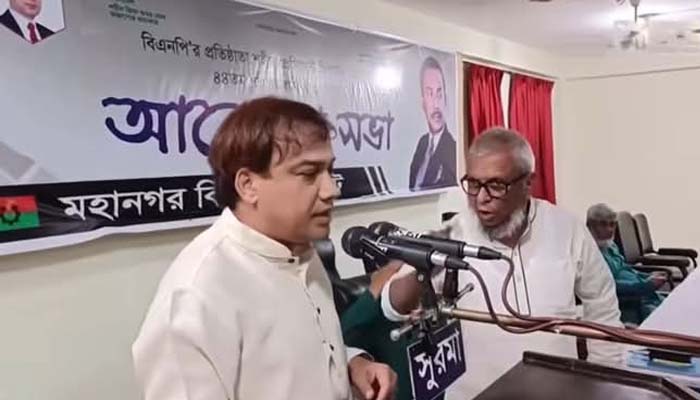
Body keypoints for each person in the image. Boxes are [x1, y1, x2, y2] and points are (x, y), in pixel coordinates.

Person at [132, 97, 396, 400]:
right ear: (248, 185)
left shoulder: (301, 253)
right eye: (308, 173)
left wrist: (352, 364)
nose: (331, 189)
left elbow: (296, 354)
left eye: (329, 170)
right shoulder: (194, 299)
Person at [383, 128, 624, 399]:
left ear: (528, 183)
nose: (481, 198)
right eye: (473, 184)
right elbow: (392, 307)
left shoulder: (567, 229)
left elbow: (602, 303)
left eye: (496, 185)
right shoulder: (451, 235)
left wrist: (605, 382)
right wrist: (418, 270)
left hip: (557, 392)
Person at [586, 203, 665, 325]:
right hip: (628, 303)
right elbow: (607, 287)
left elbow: (625, 268)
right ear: (590, 226)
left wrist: (648, 276)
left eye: (612, 224)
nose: (610, 229)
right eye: (603, 224)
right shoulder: (588, 253)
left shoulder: (610, 245)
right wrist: (646, 285)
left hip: (643, 295)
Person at [409, 56, 456, 191]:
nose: (436, 105)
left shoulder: (452, 149)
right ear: (423, 103)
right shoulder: (422, 144)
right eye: (430, 94)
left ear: (445, 99)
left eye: (439, 94)